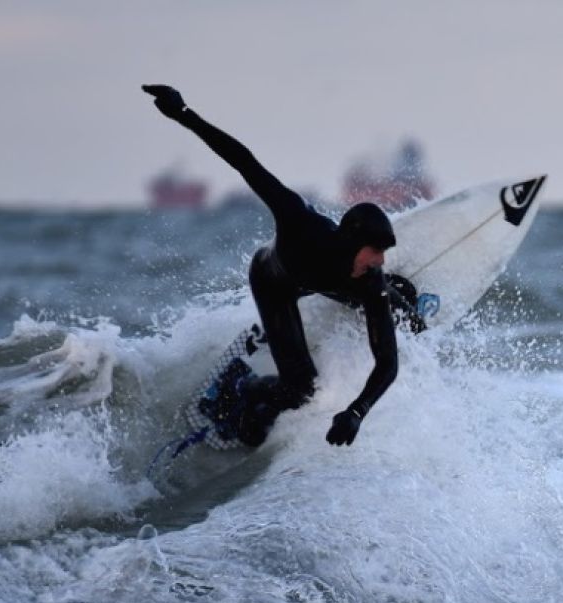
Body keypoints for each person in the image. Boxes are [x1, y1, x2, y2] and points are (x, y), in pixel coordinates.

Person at [143, 84, 424, 448]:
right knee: (302, 388)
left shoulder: (368, 276)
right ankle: (250, 390)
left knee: (400, 313)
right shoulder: (298, 220)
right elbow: (245, 162)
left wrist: (357, 411)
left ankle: (402, 299)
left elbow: (388, 364)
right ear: (353, 241)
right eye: (375, 251)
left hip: (330, 281)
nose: (379, 261)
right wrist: (184, 115)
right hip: (275, 281)